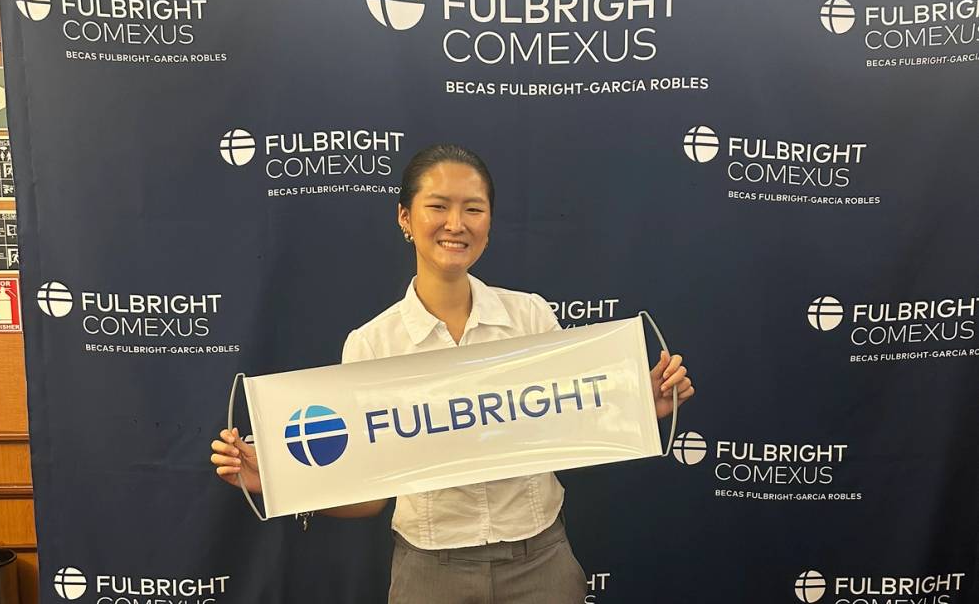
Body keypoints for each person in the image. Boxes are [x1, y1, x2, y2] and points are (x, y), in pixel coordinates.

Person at [210, 144, 695, 603]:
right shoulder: (373, 345)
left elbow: (574, 430)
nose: (456, 224)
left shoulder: (529, 318)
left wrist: (638, 406)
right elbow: (369, 497)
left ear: (489, 222)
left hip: (541, 563)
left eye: (473, 209)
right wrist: (280, 479)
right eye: (438, 206)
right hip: (430, 572)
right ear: (405, 217)